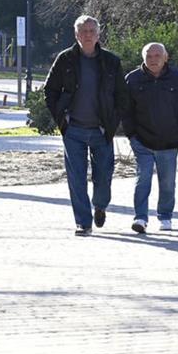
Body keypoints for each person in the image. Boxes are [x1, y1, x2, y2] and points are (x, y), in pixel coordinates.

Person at [44, 15, 129, 236]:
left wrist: (112, 122)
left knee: (103, 175)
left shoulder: (111, 61)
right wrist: (62, 119)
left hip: (101, 130)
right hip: (74, 130)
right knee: (76, 178)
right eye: (83, 31)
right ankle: (83, 222)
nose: (88, 35)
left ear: (99, 34)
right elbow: (49, 90)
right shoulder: (65, 59)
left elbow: (122, 96)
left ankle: (100, 205)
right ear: (76, 35)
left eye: (92, 31)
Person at [122, 43, 178, 234]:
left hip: (169, 141)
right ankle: (140, 217)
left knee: (167, 182)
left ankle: (165, 217)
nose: (153, 60)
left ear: (166, 57)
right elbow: (125, 109)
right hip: (142, 140)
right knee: (143, 179)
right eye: (149, 56)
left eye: (157, 55)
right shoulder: (133, 79)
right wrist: (131, 134)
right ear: (143, 58)